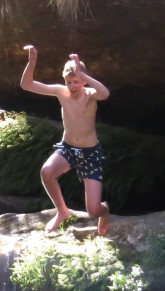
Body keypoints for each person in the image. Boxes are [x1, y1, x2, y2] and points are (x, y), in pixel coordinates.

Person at [20, 44, 110, 234]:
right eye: (69, 82)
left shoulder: (91, 95)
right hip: (68, 148)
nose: (72, 86)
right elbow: (26, 85)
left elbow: (105, 93)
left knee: (93, 211)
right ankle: (62, 212)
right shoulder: (61, 92)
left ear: (83, 81)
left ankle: (105, 210)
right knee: (46, 172)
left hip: (90, 153)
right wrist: (32, 60)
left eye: (76, 81)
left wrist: (83, 74)